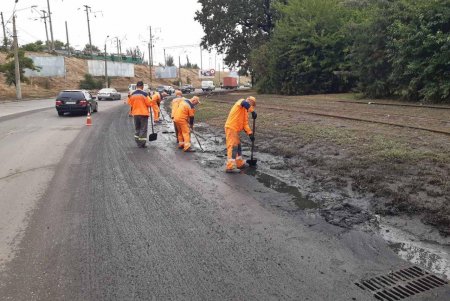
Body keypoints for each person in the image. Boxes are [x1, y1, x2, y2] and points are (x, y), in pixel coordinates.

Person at [224, 96, 257, 173]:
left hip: (235, 130)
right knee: (233, 147)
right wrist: (252, 111)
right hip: (231, 127)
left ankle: (239, 163)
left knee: (238, 146)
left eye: (252, 105)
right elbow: (244, 103)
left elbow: (245, 124)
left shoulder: (245, 112)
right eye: (251, 103)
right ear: (248, 100)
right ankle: (230, 167)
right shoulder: (241, 102)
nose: (251, 106)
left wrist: (250, 134)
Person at [127, 81, 154, 148]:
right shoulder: (144, 94)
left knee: (137, 128)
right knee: (143, 129)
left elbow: (129, 103)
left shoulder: (132, 94)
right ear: (142, 86)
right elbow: (149, 104)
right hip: (143, 114)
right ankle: (142, 143)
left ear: (136, 86)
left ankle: (137, 141)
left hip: (135, 114)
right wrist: (150, 98)